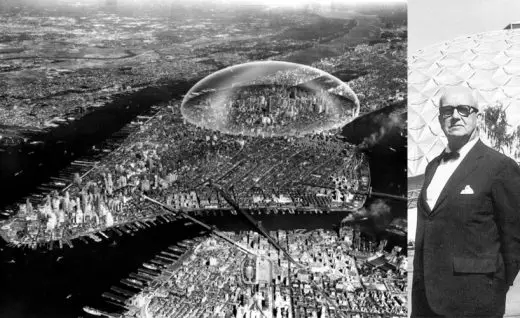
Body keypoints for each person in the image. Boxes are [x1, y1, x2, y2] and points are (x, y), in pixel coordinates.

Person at [412, 86, 520, 317]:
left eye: (463, 109)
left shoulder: (499, 167)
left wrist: (496, 287)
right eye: (447, 111)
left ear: (477, 117)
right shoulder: (432, 168)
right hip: (426, 302)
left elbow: (514, 236)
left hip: (475, 301)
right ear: (440, 119)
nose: (455, 116)